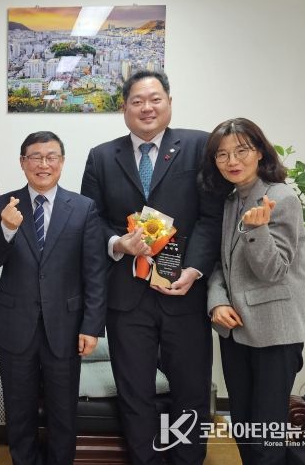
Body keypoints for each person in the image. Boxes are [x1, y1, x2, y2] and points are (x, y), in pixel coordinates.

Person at [80, 70, 223, 464]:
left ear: (169, 103)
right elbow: (92, 221)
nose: (147, 107)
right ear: (124, 108)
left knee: (191, 389)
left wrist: (194, 270)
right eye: (137, 101)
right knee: (135, 392)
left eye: (155, 99)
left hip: (184, 292)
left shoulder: (199, 146)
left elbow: (211, 217)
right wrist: (118, 243)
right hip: (127, 298)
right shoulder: (101, 156)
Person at [0, 131, 106, 464]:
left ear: (62, 162)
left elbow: (94, 271)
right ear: (23, 162)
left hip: (65, 326)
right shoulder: (3, 204)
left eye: (51, 157)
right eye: (35, 157)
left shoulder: (83, 208)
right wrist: (6, 228)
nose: (43, 164)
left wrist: (91, 326)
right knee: (18, 413)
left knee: (63, 414)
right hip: (14, 325)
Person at [201, 118, 305, 464]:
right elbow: (221, 264)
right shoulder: (231, 201)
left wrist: (257, 232)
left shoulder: (282, 197)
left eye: (241, 150)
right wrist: (217, 302)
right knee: (244, 429)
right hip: (236, 330)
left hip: (274, 333)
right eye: (222, 154)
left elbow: (274, 270)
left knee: (266, 436)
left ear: (260, 151)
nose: (232, 161)